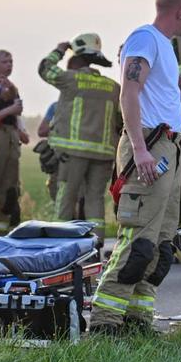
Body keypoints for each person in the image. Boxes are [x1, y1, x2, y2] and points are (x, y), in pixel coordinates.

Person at [87, 0, 181, 335]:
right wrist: (140, 149)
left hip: (169, 148)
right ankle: (105, 322)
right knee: (139, 240)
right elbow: (128, 92)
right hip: (150, 144)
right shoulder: (144, 38)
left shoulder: (164, 45)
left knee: (161, 244)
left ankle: (137, 320)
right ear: (180, 10)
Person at [38, 33, 120, 223]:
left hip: (73, 153)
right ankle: (95, 246)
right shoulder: (113, 87)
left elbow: (45, 69)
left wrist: (59, 50)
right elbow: (119, 121)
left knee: (66, 197)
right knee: (95, 200)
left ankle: (61, 245)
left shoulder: (71, 80)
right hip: (104, 155)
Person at [0, 49, 29, 233]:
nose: (9, 65)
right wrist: (10, 111)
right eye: (4, 62)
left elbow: (17, 115)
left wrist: (20, 131)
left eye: (11, 62)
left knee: (9, 190)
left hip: (11, 138)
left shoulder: (13, 88)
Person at [36, 100, 61, 209]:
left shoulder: (56, 106)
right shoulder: (55, 106)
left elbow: (41, 131)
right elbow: (41, 131)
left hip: (68, 158)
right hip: (59, 158)